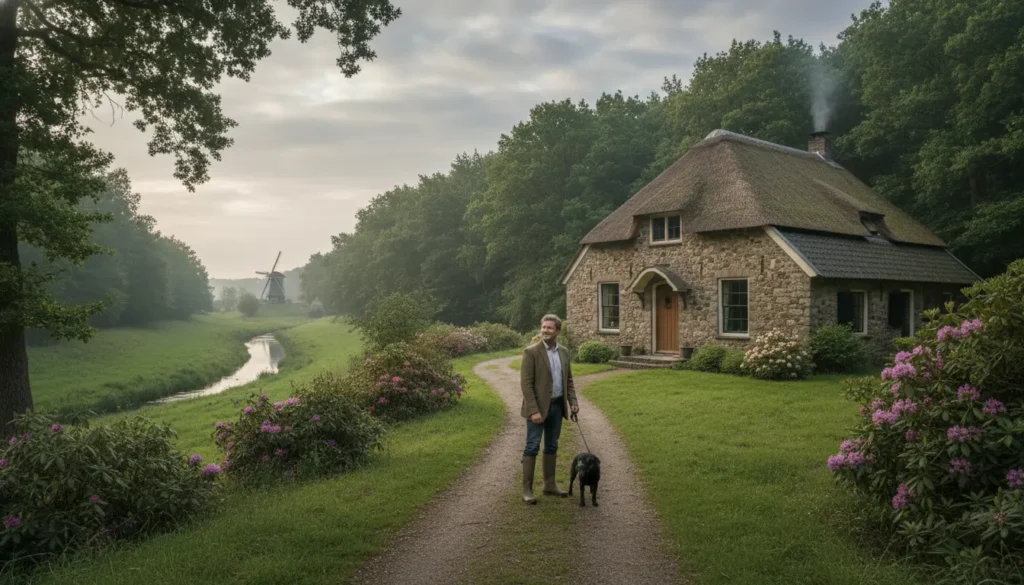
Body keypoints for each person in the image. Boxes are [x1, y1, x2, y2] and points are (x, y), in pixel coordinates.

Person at [519, 313, 579, 504]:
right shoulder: (531, 352)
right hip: (537, 409)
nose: (545, 330)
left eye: (549, 328)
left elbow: (568, 379)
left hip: (557, 407)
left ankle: (549, 485)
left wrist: (573, 402)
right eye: (543, 327)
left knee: (552, 445)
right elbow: (526, 385)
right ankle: (527, 490)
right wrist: (534, 410)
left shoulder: (564, 352)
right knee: (532, 446)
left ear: (558, 331)